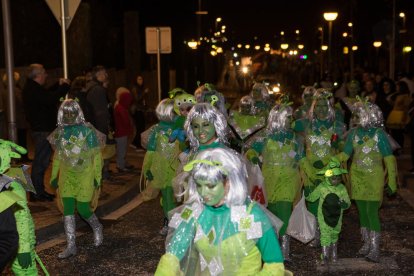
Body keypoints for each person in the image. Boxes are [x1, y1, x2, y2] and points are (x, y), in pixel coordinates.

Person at [155, 147, 287, 275]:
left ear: (229, 182)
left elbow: (274, 264)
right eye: (199, 185)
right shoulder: (195, 212)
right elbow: (171, 257)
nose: (203, 192)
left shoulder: (250, 216)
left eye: (211, 186)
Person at [336, 99, 398, 262]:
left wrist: (392, 181)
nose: (355, 119)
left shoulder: (379, 135)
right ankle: (367, 244)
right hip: (357, 177)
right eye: (355, 116)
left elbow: (389, 159)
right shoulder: (354, 134)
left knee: (372, 212)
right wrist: (331, 162)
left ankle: (375, 247)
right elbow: (345, 155)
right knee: (362, 212)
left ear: (369, 116)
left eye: (358, 115)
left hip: (374, 177)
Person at [246, 101, 304, 261]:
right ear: (278, 118)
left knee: (284, 211)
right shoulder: (265, 135)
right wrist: (252, 156)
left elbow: (302, 158)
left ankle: (284, 251)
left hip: (288, 179)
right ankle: (273, 246)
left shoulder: (295, 138)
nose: (291, 120)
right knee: (272, 213)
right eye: (288, 117)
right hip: (268, 181)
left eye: (291, 117)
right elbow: (250, 149)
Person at [48, 99, 105, 259]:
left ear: (77, 112)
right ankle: (71, 245)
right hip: (67, 177)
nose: (69, 116)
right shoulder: (60, 133)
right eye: (65, 113)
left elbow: (97, 156)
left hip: (85, 175)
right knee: (67, 211)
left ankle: (97, 227)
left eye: (71, 112)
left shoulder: (88, 131)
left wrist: (97, 177)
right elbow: (58, 156)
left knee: (83, 209)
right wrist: (54, 176)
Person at [293, 88, 346, 247]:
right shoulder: (304, 123)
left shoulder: (337, 126)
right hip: (309, 169)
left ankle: (329, 234)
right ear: (313, 107)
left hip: (330, 170)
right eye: (318, 106)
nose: (321, 109)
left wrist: (340, 146)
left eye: (325, 106)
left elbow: (342, 148)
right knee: (312, 201)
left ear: (329, 107)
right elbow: (286, 128)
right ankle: (315, 234)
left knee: (330, 202)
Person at [22, 63, 70, 202]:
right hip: (42, 130)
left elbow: (46, 94)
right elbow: (49, 99)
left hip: (43, 129)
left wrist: (57, 85)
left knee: (42, 161)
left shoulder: (33, 88)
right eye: (44, 72)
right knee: (41, 162)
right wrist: (64, 87)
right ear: (38, 75)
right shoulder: (32, 89)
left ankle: (39, 190)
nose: (46, 75)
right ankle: (36, 192)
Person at [0, 140, 48, 274]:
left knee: (24, 271)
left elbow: (22, 218)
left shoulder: (12, 185)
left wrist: (24, 249)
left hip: (18, 240)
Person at [142, 98, 180, 235]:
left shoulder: (181, 128)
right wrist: (148, 169)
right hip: (161, 171)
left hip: (177, 168)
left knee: (171, 198)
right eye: (175, 112)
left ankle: (171, 222)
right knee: (167, 197)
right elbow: (151, 151)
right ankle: (170, 222)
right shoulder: (156, 131)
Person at [306, 157, 351, 265]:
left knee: (335, 233)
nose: (336, 181)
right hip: (323, 216)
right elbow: (313, 197)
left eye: (338, 178)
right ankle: (325, 256)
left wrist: (345, 205)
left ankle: (334, 255)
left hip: (337, 216)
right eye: (333, 178)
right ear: (327, 177)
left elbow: (347, 202)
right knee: (325, 234)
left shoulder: (342, 188)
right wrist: (307, 195)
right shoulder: (322, 187)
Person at [86, 65, 113, 180]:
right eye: (104, 73)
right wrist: (104, 129)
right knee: (100, 153)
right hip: (98, 127)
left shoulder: (92, 87)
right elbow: (101, 112)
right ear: (99, 75)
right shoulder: (98, 90)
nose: (106, 75)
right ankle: (98, 177)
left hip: (93, 125)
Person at [113, 87, 134, 172]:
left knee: (121, 149)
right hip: (121, 132)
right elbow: (125, 121)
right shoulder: (121, 108)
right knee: (121, 150)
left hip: (121, 132)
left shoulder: (120, 107)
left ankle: (121, 164)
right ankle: (120, 166)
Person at [130, 75, 149, 149]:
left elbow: (143, 101)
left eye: (141, 79)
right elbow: (137, 99)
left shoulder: (141, 88)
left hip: (141, 110)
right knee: (140, 128)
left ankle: (135, 143)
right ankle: (138, 145)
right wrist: (144, 92)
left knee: (142, 127)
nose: (141, 81)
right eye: (139, 79)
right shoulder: (135, 88)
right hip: (137, 110)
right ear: (136, 80)